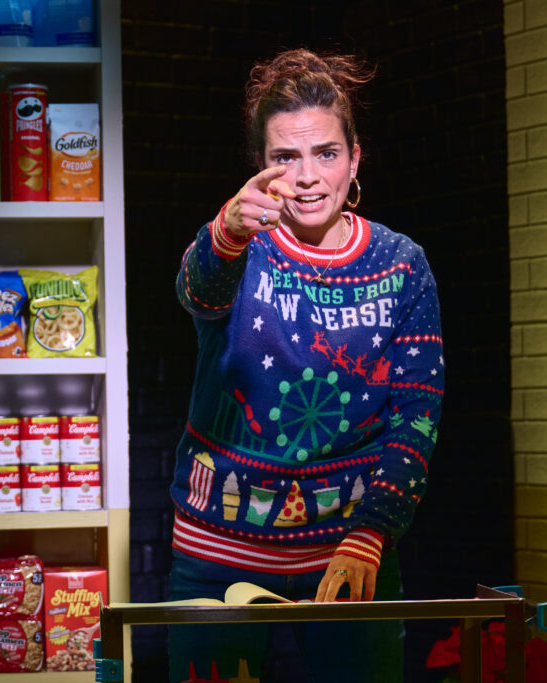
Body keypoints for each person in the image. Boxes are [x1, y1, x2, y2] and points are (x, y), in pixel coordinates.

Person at [169, 48, 445, 683]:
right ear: (261, 168)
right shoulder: (240, 245)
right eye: (285, 157)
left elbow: (417, 414)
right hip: (218, 555)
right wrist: (227, 229)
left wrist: (373, 531)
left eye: (326, 153)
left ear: (355, 160)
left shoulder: (402, 264)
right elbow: (196, 292)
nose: (308, 176)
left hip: (351, 552)